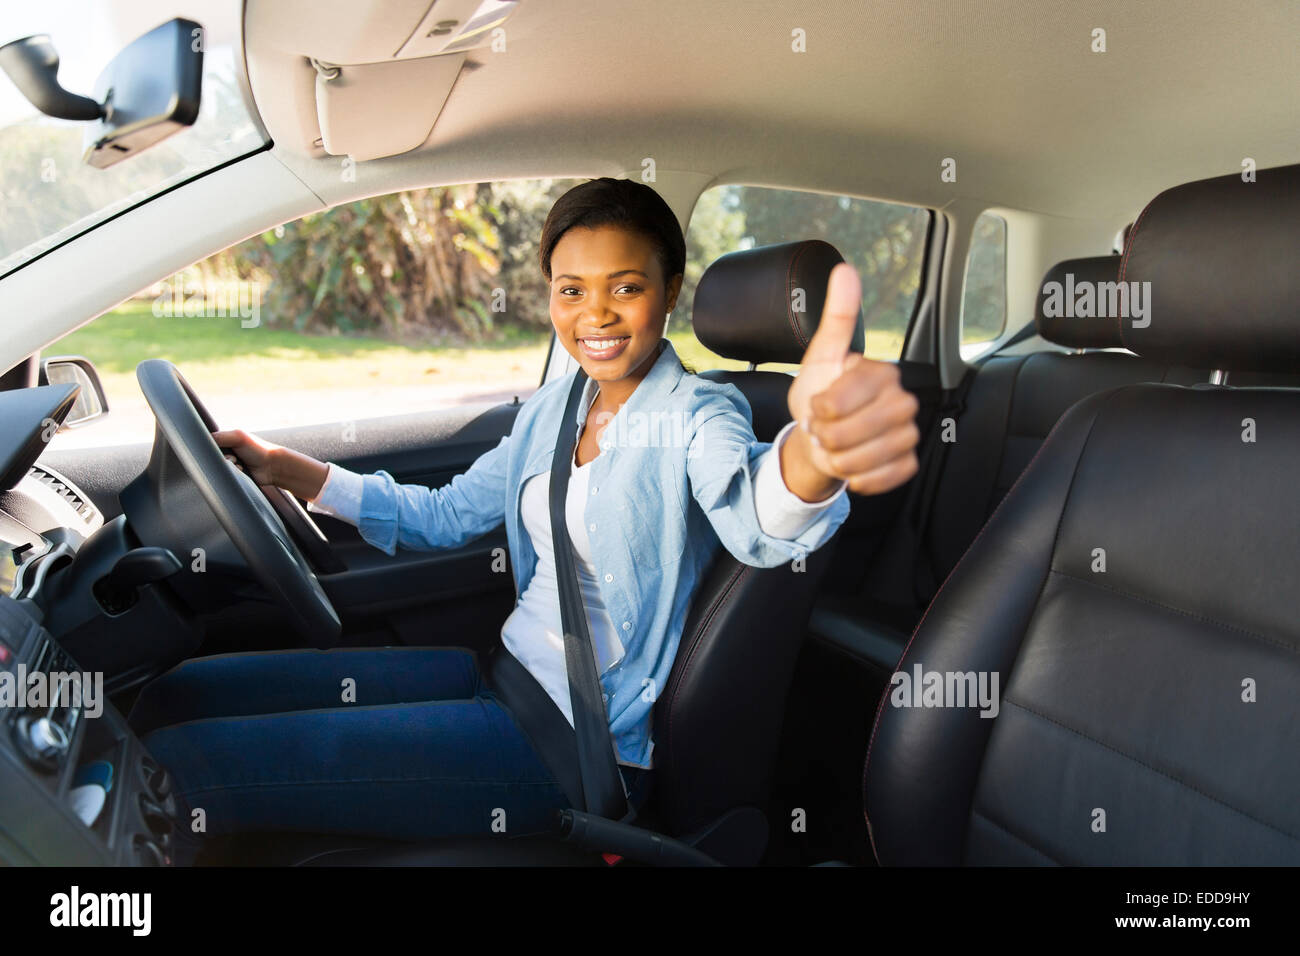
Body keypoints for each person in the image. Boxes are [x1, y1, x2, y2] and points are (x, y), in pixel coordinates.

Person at [129, 178, 920, 855]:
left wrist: (812, 454)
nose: (595, 314)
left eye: (626, 286)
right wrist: (295, 474)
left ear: (671, 291)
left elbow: (752, 514)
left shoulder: (697, 411)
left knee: (186, 768)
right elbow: (444, 514)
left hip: (577, 743)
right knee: (181, 694)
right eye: (571, 289)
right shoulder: (556, 405)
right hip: (501, 677)